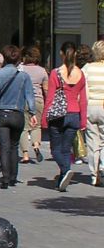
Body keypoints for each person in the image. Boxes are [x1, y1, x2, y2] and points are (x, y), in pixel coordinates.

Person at [0, 45, 37, 190]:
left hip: (0, 114)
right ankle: (13, 177)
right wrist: (32, 113)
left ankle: (5, 178)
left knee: (4, 146)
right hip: (17, 114)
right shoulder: (24, 76)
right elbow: (30, 96)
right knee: (14, 146)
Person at [43, 41, 87, 192]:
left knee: (55, 149)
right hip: (74, 115)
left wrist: (44, 119)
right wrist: (83, 120)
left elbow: (50, 98)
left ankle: (65, 169)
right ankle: (62, 180)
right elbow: (83, 99)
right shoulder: (80, 74)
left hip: (58, 115)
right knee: (66, 150)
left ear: (61, 53)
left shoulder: (56, 73)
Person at [19, 45, 48, 164]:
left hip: (24, 100)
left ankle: (25, 154)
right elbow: (46, 89)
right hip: (38, 100)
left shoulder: (20, 69)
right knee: (36, 126)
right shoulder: (42, 71)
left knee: (24, 128)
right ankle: (36, 145)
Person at [82, 41, 104, 187]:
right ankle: (103, 166)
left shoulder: (87, 68)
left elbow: (83, 90)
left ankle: (94, 175)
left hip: (90, 107)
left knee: (92, 142)